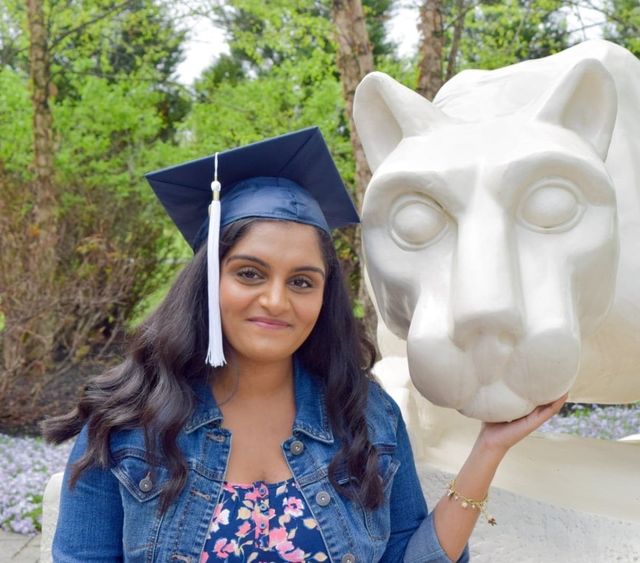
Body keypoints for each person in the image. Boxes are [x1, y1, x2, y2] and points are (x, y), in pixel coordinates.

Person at [43, 127, 567, 563]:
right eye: (250, 273)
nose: (276, 301)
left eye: (302, 281)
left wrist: (489, 448)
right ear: (207, 282)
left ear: (323, 295)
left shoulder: (363, 413)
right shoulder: (125, 426)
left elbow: (410, 557)